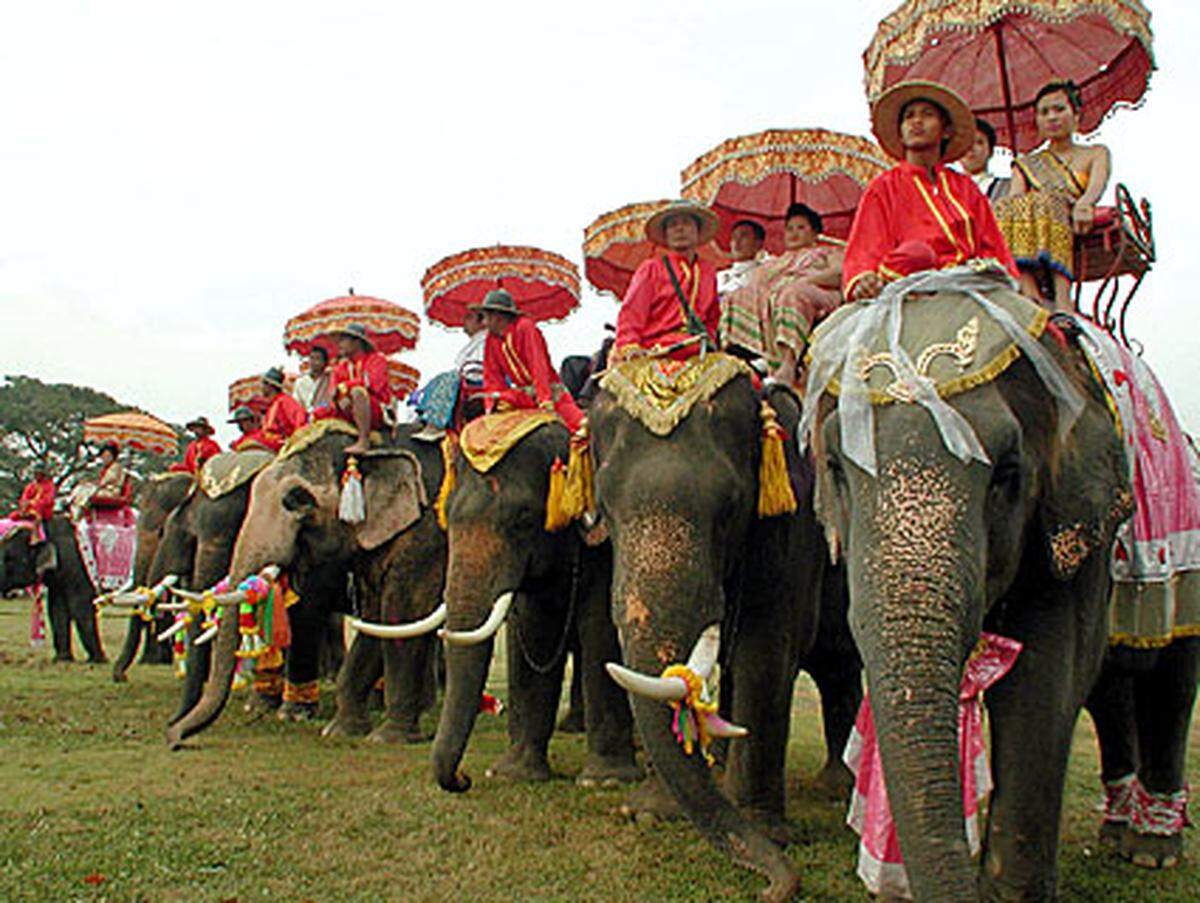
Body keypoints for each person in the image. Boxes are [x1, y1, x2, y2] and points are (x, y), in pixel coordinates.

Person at [843, 80, 1018, 302]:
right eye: (909, 116)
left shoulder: (966, 188)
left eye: (927, 114)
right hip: (908, 283)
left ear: (945, 130)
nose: (916, 121)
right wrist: (864, 279)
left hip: (969, 283)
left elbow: (993, 246)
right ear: (900, 133)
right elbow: (865, 249)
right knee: (916, 253)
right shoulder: (884, 187)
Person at [993, 80, 1112, 313]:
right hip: (1032, 218)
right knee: (1004, 205)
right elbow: (1016, 198)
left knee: (1049, 201)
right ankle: (1027, 285)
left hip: (1068, 209)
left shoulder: (1095, 153)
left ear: (1075, 115)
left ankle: (1063, 297)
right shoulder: (1027, 164)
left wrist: (1085, 204)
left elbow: (1097, 185)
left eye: (1059, 110)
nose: (1052, 117)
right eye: (1044, 112)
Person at [720, 203, 843, 386]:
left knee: (791, 293)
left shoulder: (828, 252)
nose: (794, 233)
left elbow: (839, 274)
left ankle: (788, 364)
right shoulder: (773, 263)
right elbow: (756, 287)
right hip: (777, 300)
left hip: (817, 294)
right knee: (735, 297)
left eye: (801, 228)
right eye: (789, 228)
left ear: (815, 233)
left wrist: (806, 280)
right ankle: (757, 355)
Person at [613, 199, 721, 361]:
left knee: (747, 379)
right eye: (673, 225)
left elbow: (713, 316)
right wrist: (630, 345)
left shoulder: (708, 271)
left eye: (686, 223)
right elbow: (631, 313)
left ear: (697, 231)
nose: (680, 228)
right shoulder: (651, 268)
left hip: (698, 348)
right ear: (666, 234)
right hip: (657, 349)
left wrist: (710, 339)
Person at [478, 289, 584, 433]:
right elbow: (491, 376)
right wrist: (492, 404)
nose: (484, 322)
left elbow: (538, 365)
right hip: (521, 397)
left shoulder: (525, 328)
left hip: (551, 393)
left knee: (582, 428)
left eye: (486, 316)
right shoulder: (491, 340)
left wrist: (545, 400)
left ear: (498, 317)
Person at [318, 324, 392, 454]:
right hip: (347, 409)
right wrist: (340, 398)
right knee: (317, 413)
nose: (339, 344)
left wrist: (346, 388)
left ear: (357, 341)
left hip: (374, 408)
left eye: (343, 340)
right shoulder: (341, 367)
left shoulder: (376, 360)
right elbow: (332, 393)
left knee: (357, 392)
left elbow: (373, 384)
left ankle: (364, 440)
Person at [960, 118, 1010, 204]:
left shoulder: (1006, 187)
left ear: (990, 151)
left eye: (979, 142)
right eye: (966, 142)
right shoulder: (946, 189)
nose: (971, 148)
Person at [716, 219, 766, 297]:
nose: (737, 241)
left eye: (744, 236)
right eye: (734, 236)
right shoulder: (720, 276)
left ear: (758, 244)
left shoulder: (761, 277)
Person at [10, 467, 55, 540]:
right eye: (35, 474)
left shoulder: (49, 486)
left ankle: (36, 536)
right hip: (28, 509)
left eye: (38, 474)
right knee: (13, 517)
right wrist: (25, 504)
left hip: (43, 511)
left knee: (37, 515)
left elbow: (48, 500)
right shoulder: (31, 486)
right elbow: (24, 497)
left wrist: (34, 503)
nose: (36, 476)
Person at [89, 442, 131, 511]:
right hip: (105, 489)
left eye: (108, 456)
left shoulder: (115, 467)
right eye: (104, 456)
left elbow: (109, 479)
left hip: (112, 491)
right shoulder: (105, 468)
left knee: (90, 491)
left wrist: (98, 484)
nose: (105, 459)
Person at [293, 347, 333, 413]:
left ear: (324, 362)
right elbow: (296, 403)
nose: (314, 362)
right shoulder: (300, 382)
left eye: (318, 358)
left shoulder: (329, 380)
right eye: (312, 358)